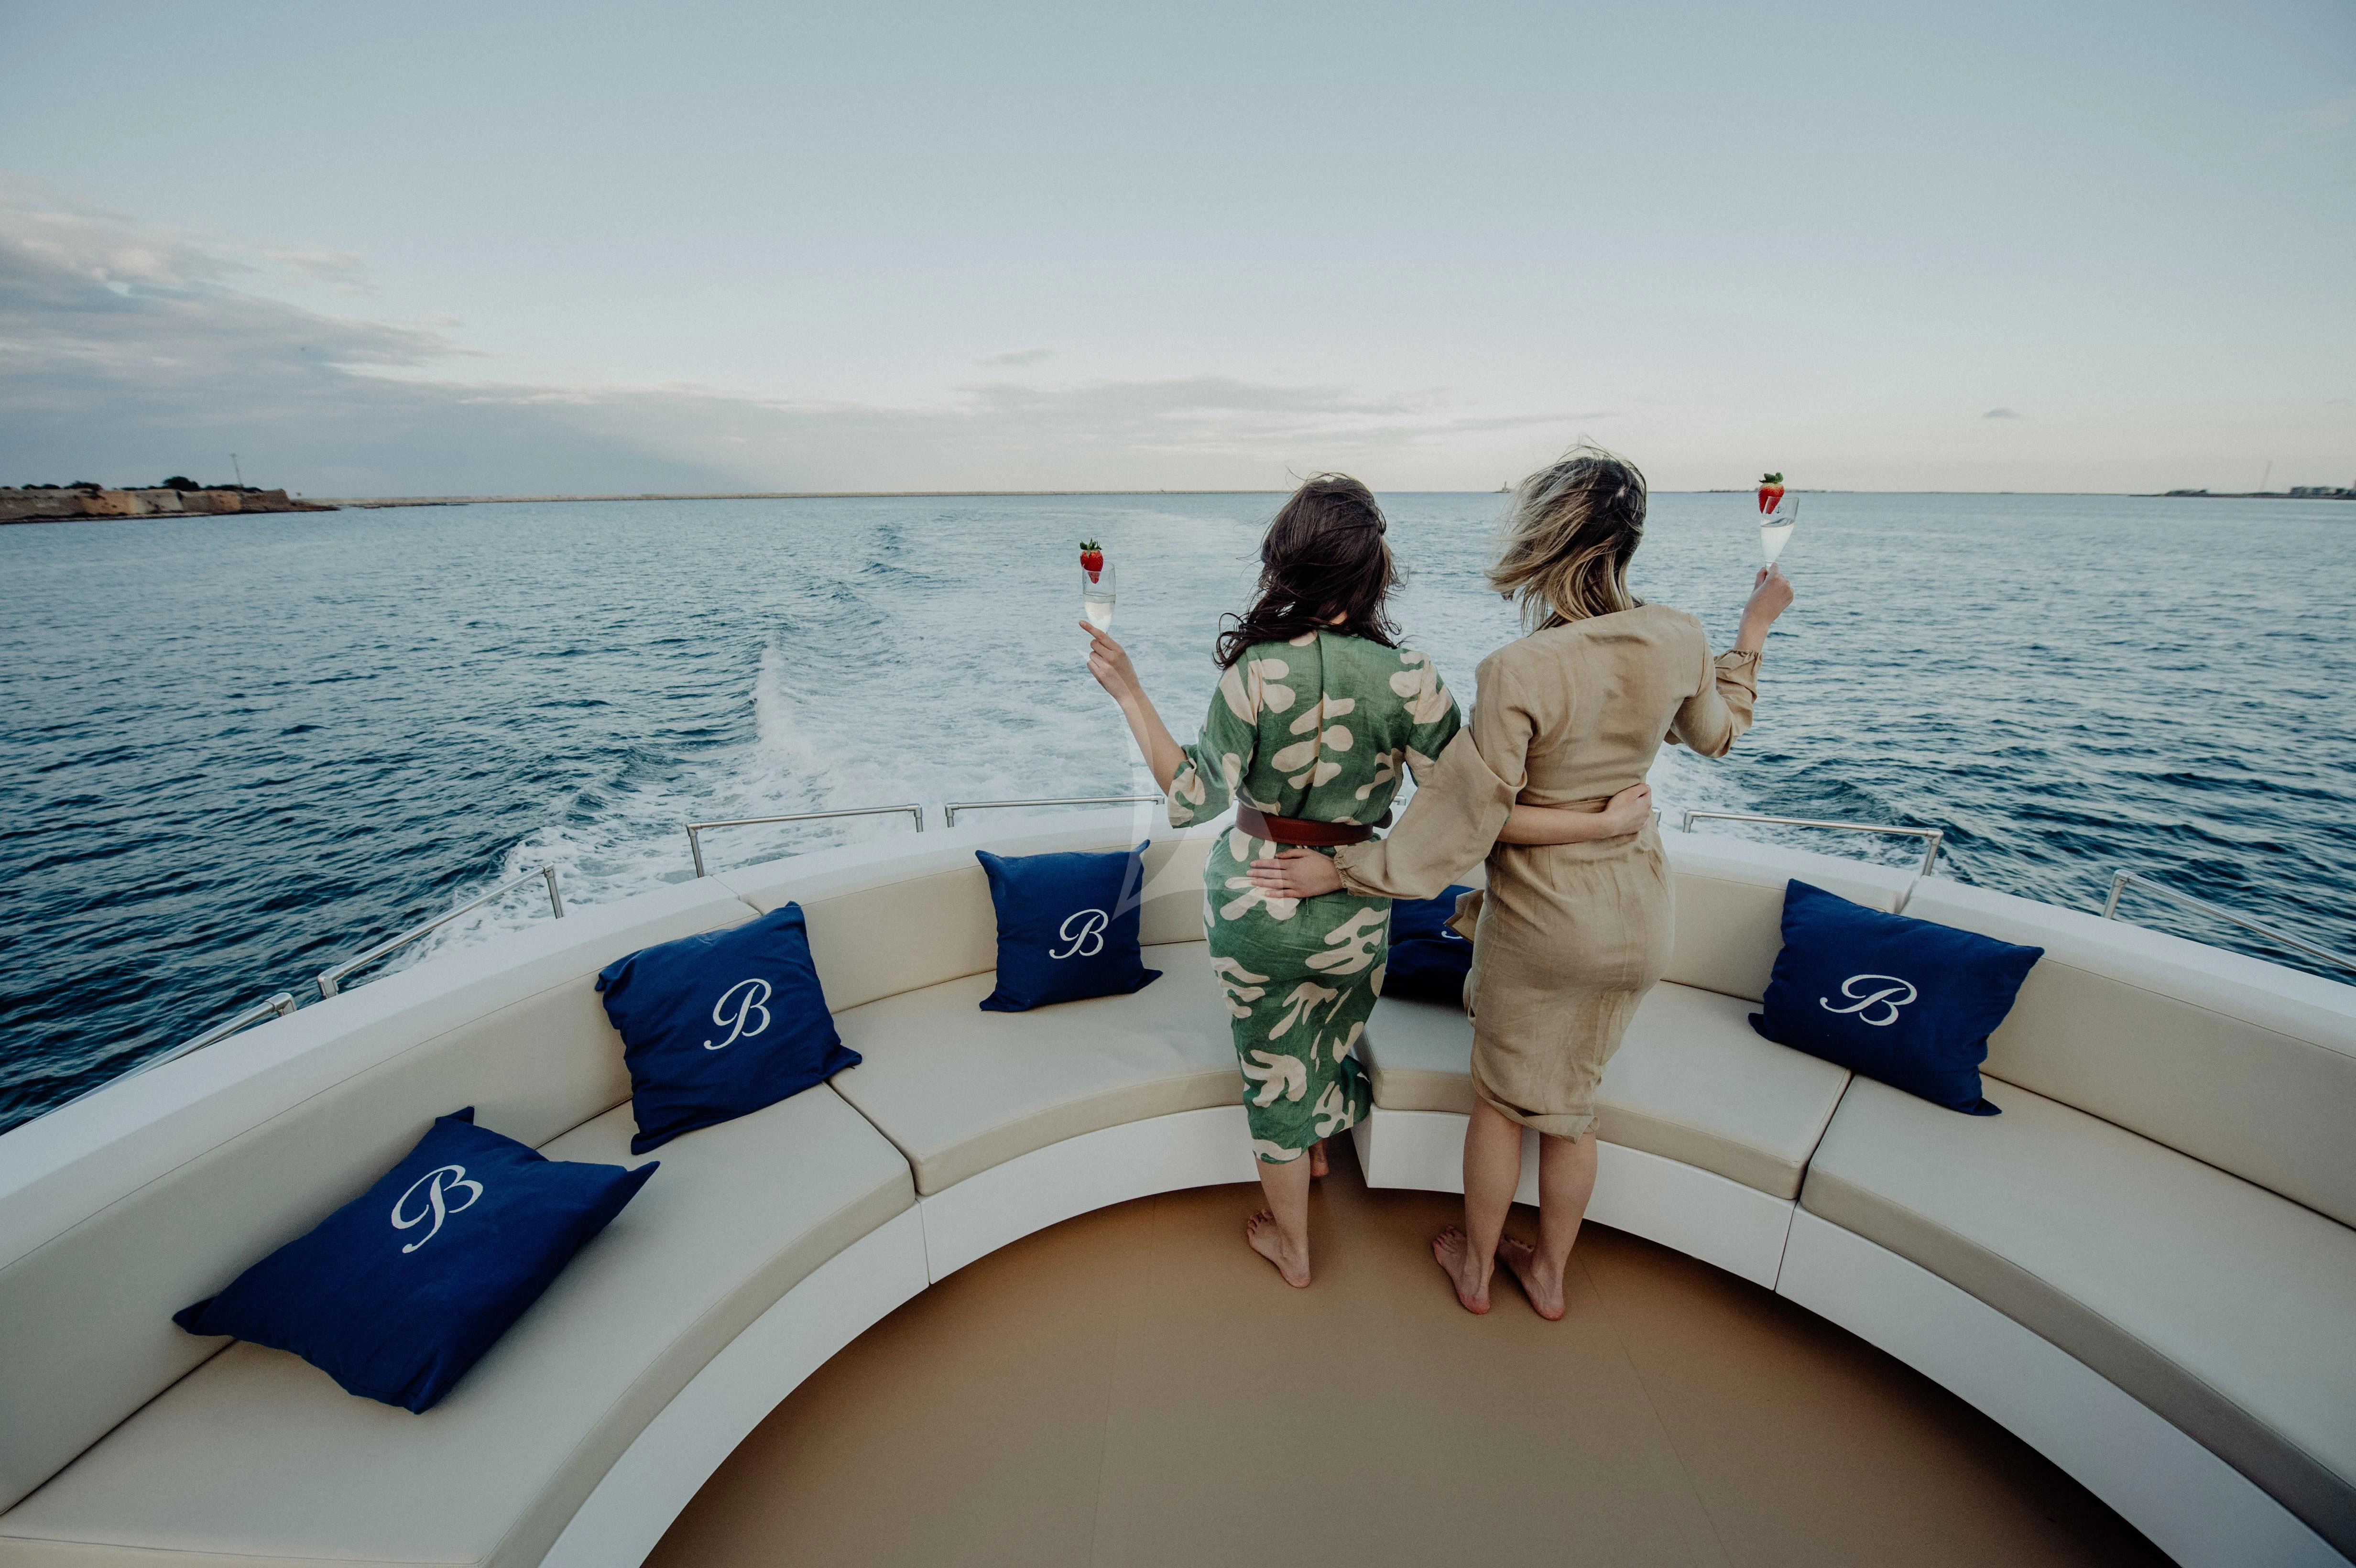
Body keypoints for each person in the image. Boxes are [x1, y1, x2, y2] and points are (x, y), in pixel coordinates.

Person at [1247, 447, 1792, 1317]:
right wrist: (1754, 632)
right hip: (1642, 918)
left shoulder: (1518, 672)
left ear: (1542, 539)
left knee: (1502, 1106)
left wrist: (1341, 866)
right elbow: (1719, 735)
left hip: (1545, 924)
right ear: (1628, 541)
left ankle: (1475, 1267)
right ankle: (1548, 1276)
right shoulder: (1681, 636)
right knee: (1575, 1108)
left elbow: (1461, 823)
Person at [1080, 474, 1628, 1288]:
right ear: (1373, 574)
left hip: (1256, 907)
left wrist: (1128, 690)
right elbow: (1472, 809)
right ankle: (1320, 1157)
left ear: (1286, 567)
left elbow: (1191, 798)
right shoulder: (1409, 677)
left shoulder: (1256, 674)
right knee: (1327, 1040)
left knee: (1271, 1073)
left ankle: (1295, 1249)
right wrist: (1598, 822)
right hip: (1355, 909)